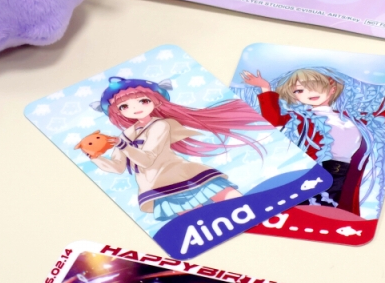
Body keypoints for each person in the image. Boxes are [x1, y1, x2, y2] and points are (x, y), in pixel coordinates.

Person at [84, 77, 267, 220]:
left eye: (143, 101)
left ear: (155, 101)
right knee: (201, 222)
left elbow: (147, 159)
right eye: (125, 106)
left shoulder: (160, 125)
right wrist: (95, 156)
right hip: (157, 187)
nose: (135, 108)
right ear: (118, 111)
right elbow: (117, 167)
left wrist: (122, 145)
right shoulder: (124, 136)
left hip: (183, 175)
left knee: (239, 205)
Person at [239, 67, 385, 215]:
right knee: (308, 208)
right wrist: (265, 88)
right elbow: (274, 119)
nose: (309, 93)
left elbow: (381, 118)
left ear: (332, 88)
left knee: (332, 209)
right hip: (313, 170)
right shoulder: (301, 117)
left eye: (316, 85)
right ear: (294, 96)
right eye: (299, 90)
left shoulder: (352, 118)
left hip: (344, 172)